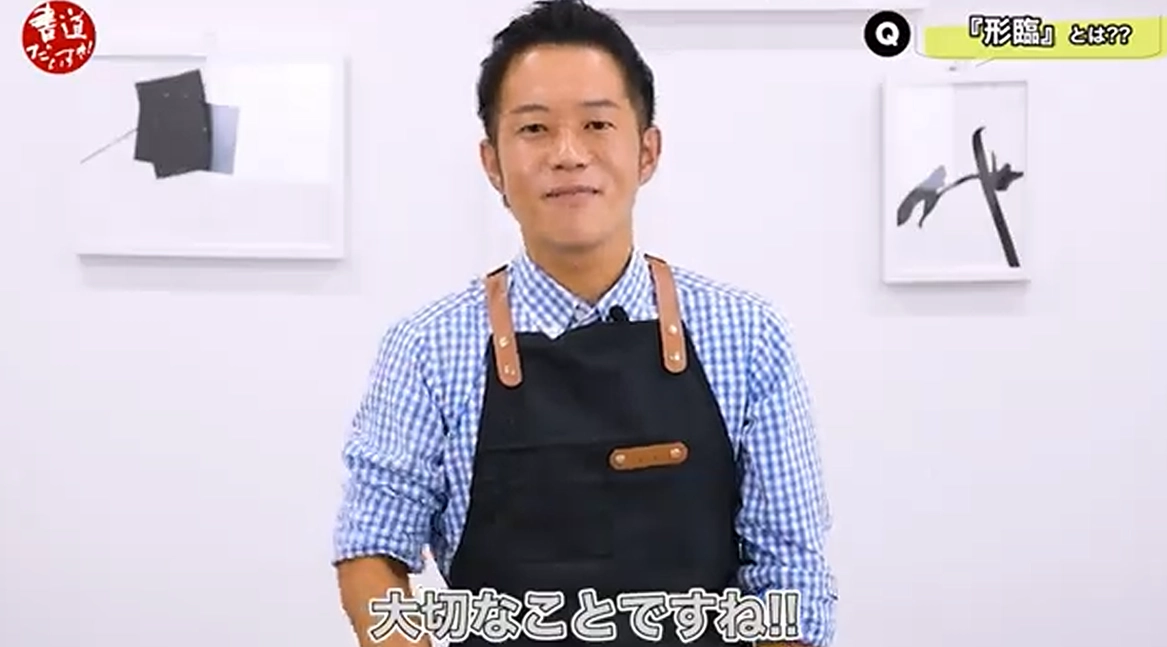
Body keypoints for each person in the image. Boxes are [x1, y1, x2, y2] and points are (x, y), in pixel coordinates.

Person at [332, 1, 837, 646]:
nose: (569, 155)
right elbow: (371, 550)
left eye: (597, 123)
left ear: (647, 151)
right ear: (492, 163)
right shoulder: (427, 348)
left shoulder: (748, 336)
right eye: (534, 129)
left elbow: (791, 574)